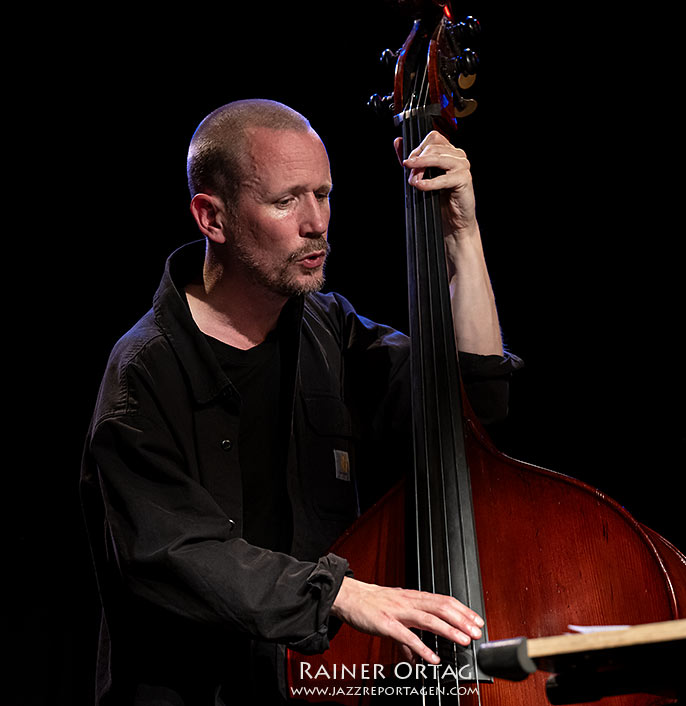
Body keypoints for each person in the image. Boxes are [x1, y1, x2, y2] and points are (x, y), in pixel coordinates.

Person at [80, 98, 520, 705]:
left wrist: (463, 237)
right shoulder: (144, 370)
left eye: (324, 194)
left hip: (313, 687)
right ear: (212, 217)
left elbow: (471, 404)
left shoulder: (328, 327)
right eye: (287, 201)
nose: (317, 222)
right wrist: (340, 593)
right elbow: (174, 553)